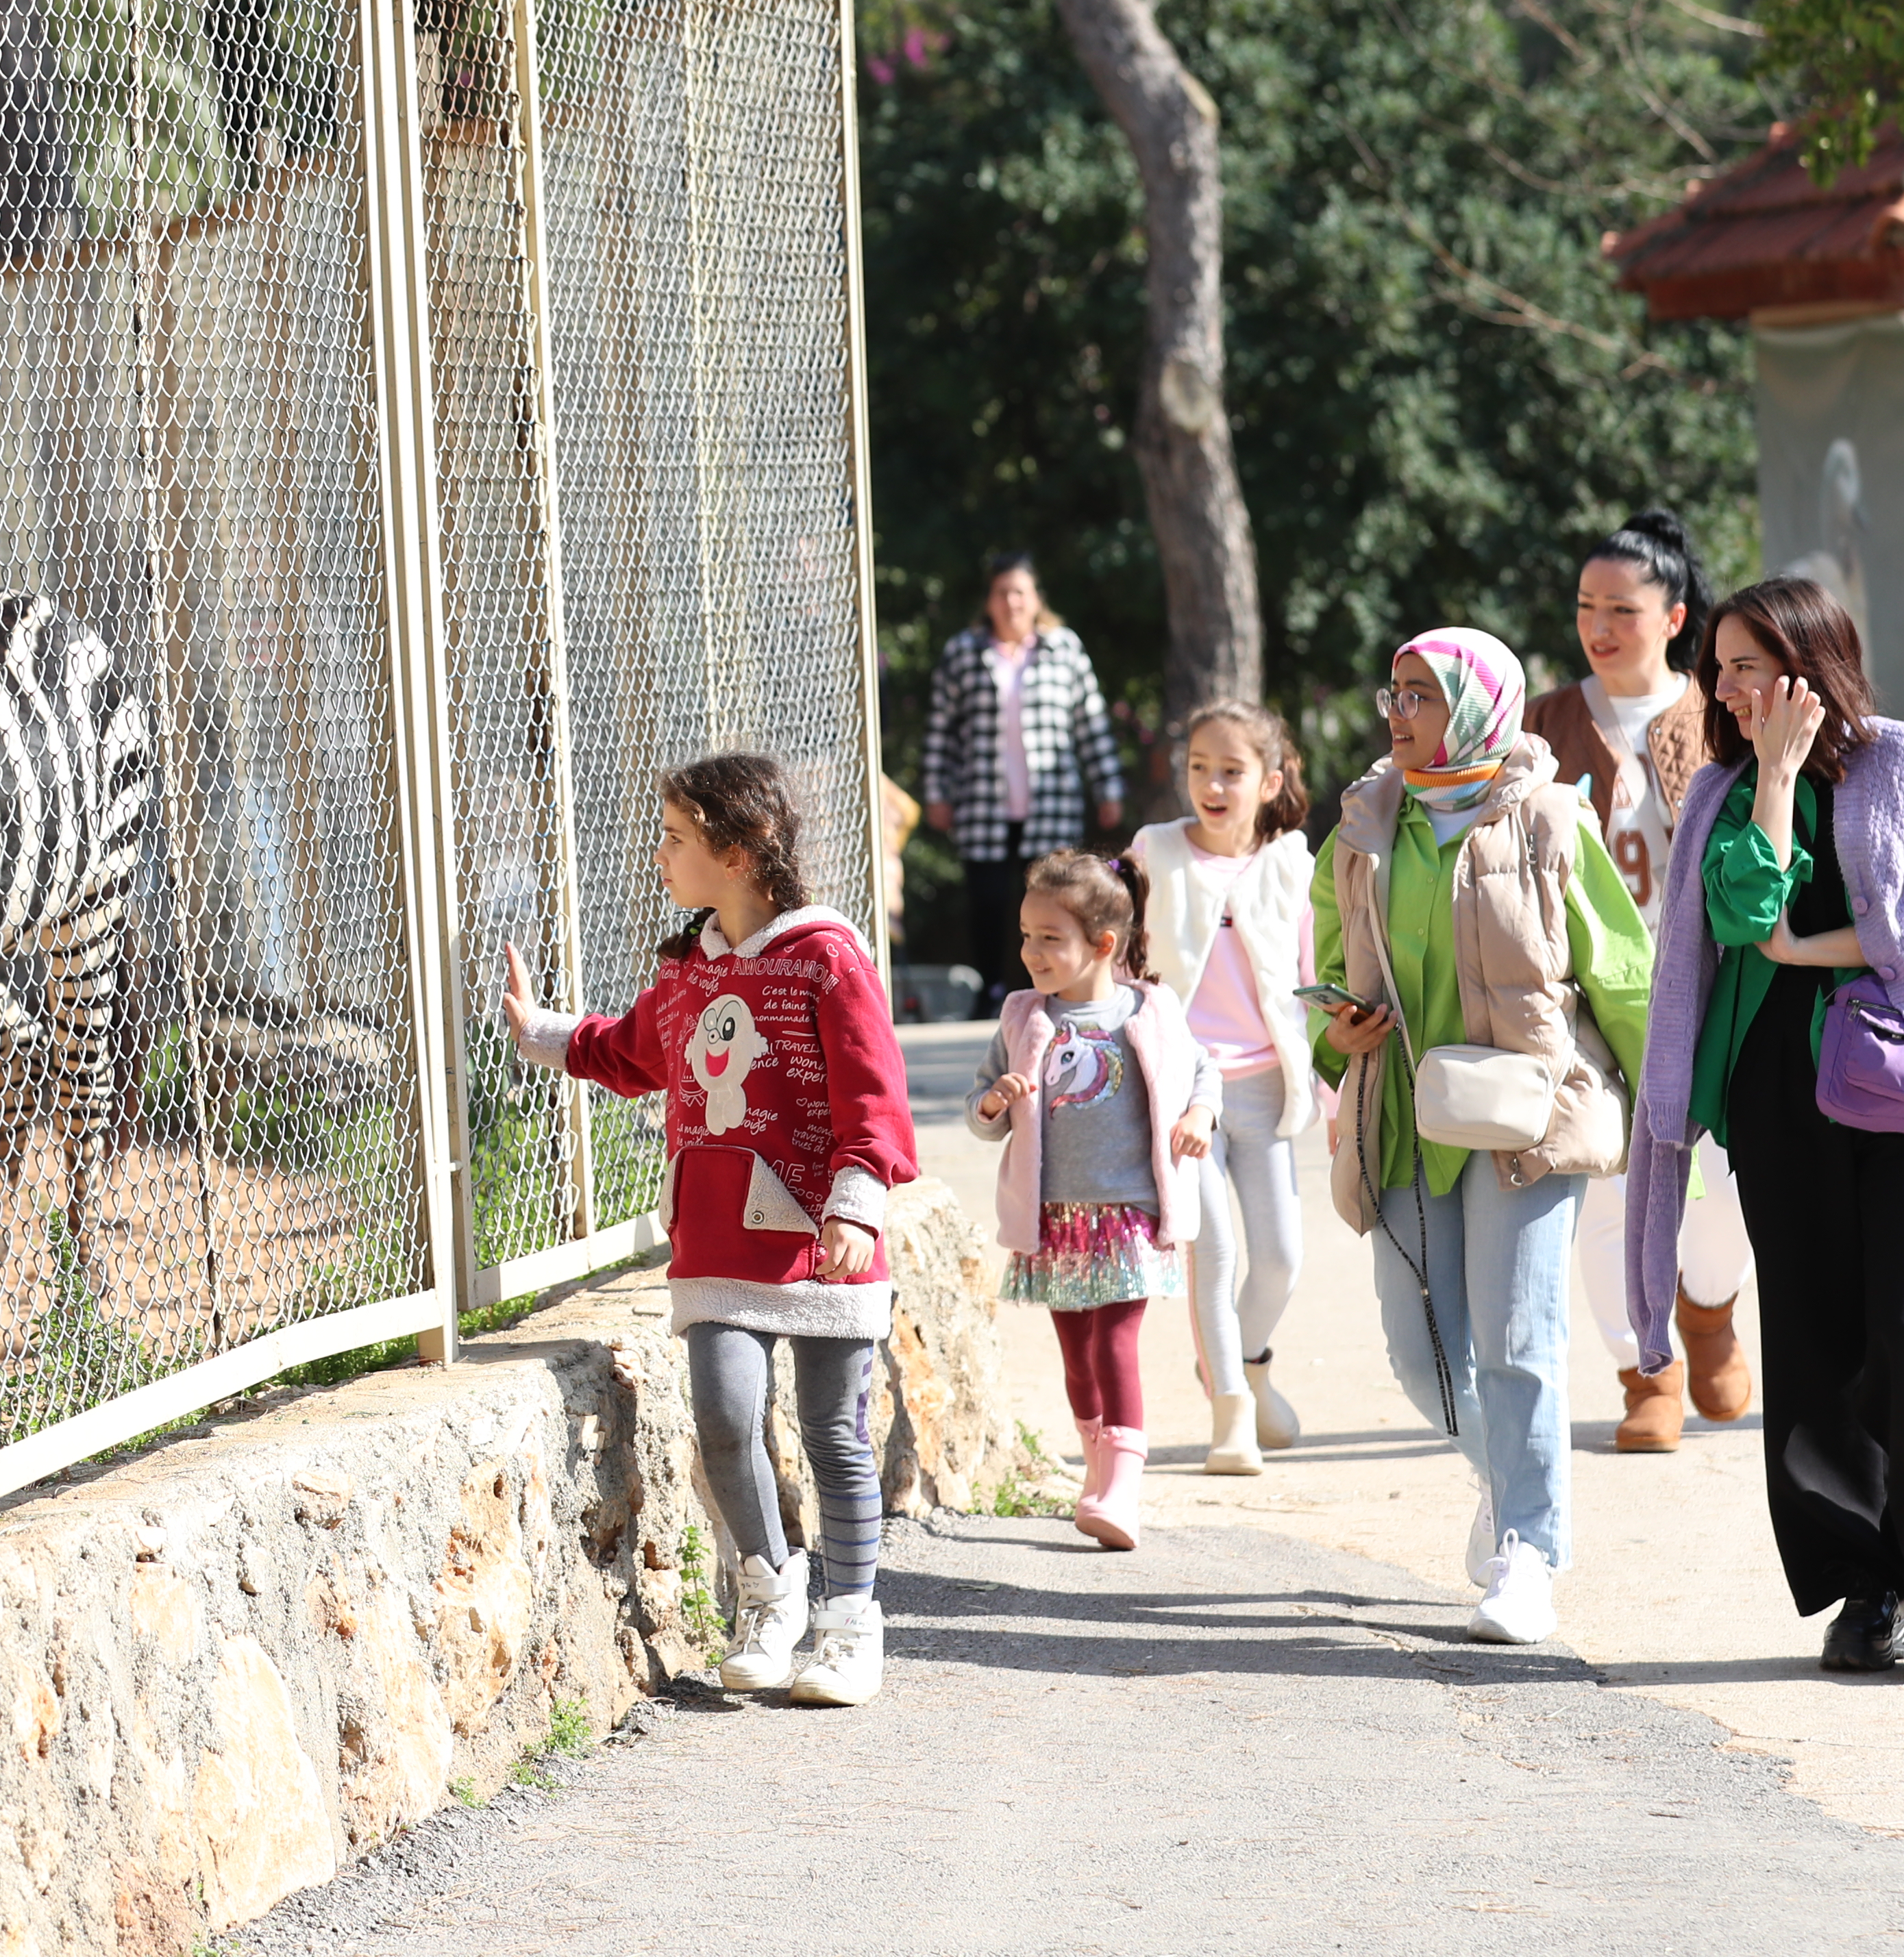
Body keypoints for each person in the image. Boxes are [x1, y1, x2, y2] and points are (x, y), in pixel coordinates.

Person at [1626, 577, 1904, 1678]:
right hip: (1779, 1088)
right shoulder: (1727, 790)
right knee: (1814, 1334)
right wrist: (1780, 780)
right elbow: (1746, 913)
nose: (1731, 690)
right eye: (1722, 671)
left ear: (1811, 664)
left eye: (1751, 667)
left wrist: (1801, 949)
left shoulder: (1903, 762)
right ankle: (1865, 1584)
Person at [499, 754, 917, 1706]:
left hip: (826, 1246)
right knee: (728, 1421)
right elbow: (636, 1051)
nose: (660, 856)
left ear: (737, 854)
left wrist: (858, 1197)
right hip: (718, 1247)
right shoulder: (689, 968)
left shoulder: (829, 958)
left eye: (677, 839)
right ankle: (771, 1597)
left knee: (833, 1434)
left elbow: (874, 1092)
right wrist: (544, 1033)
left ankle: (851, 1622)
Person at [1313, 630, 1650, 1646]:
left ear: (1475, 708)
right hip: (1404, 1122)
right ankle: (1505, 1480)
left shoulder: (1548, 821)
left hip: (1526, 1120)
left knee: (1518, 1342)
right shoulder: (1366, 830)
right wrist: (1338, 1031)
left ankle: (1530, 1554)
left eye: (1421, 695)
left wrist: (1671, 1108)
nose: (1398, 713)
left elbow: (1621, 968)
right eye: (1395, 693)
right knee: (1421, 1355)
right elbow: (1336, 973)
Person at [1526, 508, 1753, 1452]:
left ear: (1675, 616)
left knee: (1731, 1182)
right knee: (1606, 1185)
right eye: (1587, 605)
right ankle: (1644, 1369)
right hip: (1585, 999)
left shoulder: (1718, 713)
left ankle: (1707, 1313)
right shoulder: (1542, 719)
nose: (1600, 623)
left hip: (1708, 985)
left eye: (1623, 606)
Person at [968, 850, 1217, 1549]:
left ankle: (1124, 1486)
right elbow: (980, 1108)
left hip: (1130, 1212)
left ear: (1103, 945)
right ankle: (1097, 1465)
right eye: (1026, 935)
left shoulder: (1151, 1010)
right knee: (1077, 1357)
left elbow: (1204, 1074)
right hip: (1054, 1219)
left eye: (1051, 938)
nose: (1032, 952)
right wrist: (993, 1103)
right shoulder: (1023, 1017)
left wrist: (1199, 1118)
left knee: (1114, 1341)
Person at [1133, 702, 1318, 1475]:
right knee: (1215, 1250)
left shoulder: (1294, 863)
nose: (1212, 784)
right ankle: (1231, 1416)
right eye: (1199, 767)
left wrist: (1337, 1105)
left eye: (1232, 771)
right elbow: (1123, 960)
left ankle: (1248, 1368)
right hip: (1184, 1094)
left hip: (1270, 1090)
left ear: (1269, 782)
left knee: (1280, 1256)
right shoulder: (1157, 851)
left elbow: (1314, 981)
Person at [919, 555, 1126, 997]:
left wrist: (1108, 787)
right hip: (983, 804)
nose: (1011, 602)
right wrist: (937, 792)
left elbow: (1090, 723)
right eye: (1002, 593)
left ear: (1036, 600)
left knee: (1055, 900)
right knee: (989, 902)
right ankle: (993, 988)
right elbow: (941, 729)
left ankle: (1055, 987)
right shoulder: (964, 652)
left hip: (1050, 803)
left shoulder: (1064, 648)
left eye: (1020, 592)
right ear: (989, 601)